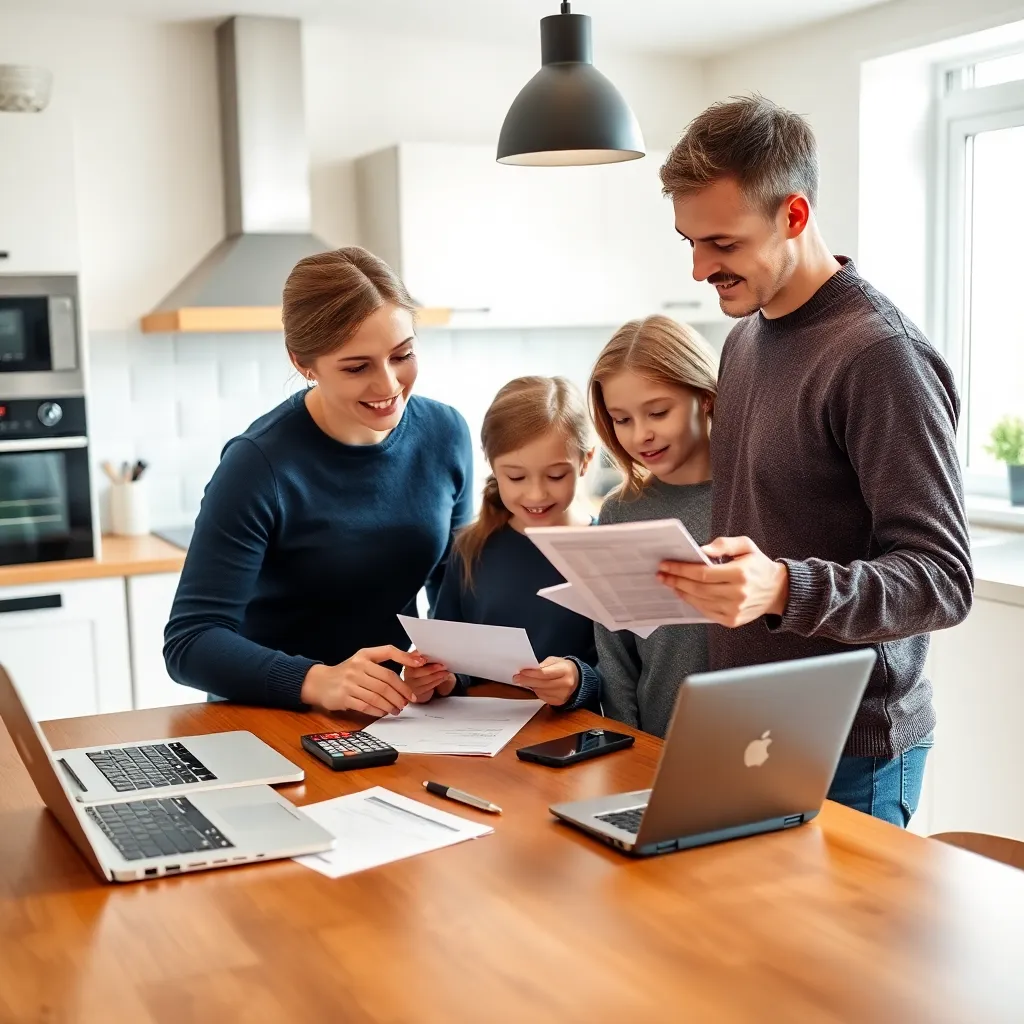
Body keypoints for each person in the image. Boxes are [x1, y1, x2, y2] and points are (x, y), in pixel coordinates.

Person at [654, 96, 973, 826]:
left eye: (723, 244)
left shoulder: (878, 356)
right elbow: (772, 523)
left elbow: (942, 580)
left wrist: (780, 589)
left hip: (850, 748)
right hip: (748, 724)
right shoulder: (745, 340)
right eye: (690, 242)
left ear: (793, 216)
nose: (702, 267)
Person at [163, 247, 473, 715]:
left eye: (402, 354)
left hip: (394, 717)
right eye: (356, 367)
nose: (388, 385)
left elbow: (455, 591)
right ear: (303, 362)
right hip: (272, 716)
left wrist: (449, 669)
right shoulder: (257, 464)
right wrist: (317, 680)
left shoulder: (445, 434)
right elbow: (190, 642)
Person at [405, 376, 600, 708]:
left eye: (555, 476)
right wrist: (434, 679)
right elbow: (451, 660)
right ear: (491, 465)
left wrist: (580, 679)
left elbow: (629, 671)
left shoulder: (608, 551)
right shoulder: (471, 550)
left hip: (573, 735)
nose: (536, 494)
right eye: (516, 476)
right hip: (485, 738)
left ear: (585, 461)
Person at [587, 314, 718, 738]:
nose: (641, 435)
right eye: (622, 420)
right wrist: (629, 749)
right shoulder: (619, 512)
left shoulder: (752, 497)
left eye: (657, 412)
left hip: (754, 743)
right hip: (655, 744)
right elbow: (615, 657)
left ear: (706, 397)